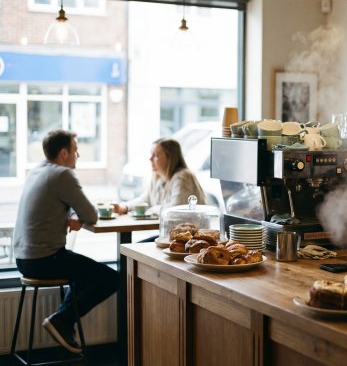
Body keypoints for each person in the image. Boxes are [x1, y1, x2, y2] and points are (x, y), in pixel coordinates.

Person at [13, 129, 120, 354]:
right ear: (63, 153)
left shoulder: (38, 171)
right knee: (112, 278)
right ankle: (62, 320)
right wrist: (77, 216)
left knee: (84, 273)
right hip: (45, 259)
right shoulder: (63, 174)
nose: (77, 156)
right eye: (75, 151)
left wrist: (71, 215)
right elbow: (91, 215)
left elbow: (60, 204)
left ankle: (64, 322)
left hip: (24, 258)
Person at [114, 138, 206, 216]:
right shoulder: (158, 177)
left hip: (190, 235)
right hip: (171, 233)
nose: (150, 159)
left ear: (170, 158)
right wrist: (124, 207)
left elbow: (174, 210)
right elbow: (145, 200)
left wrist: (152, 209)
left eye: (156, 155)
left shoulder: (183, 177)